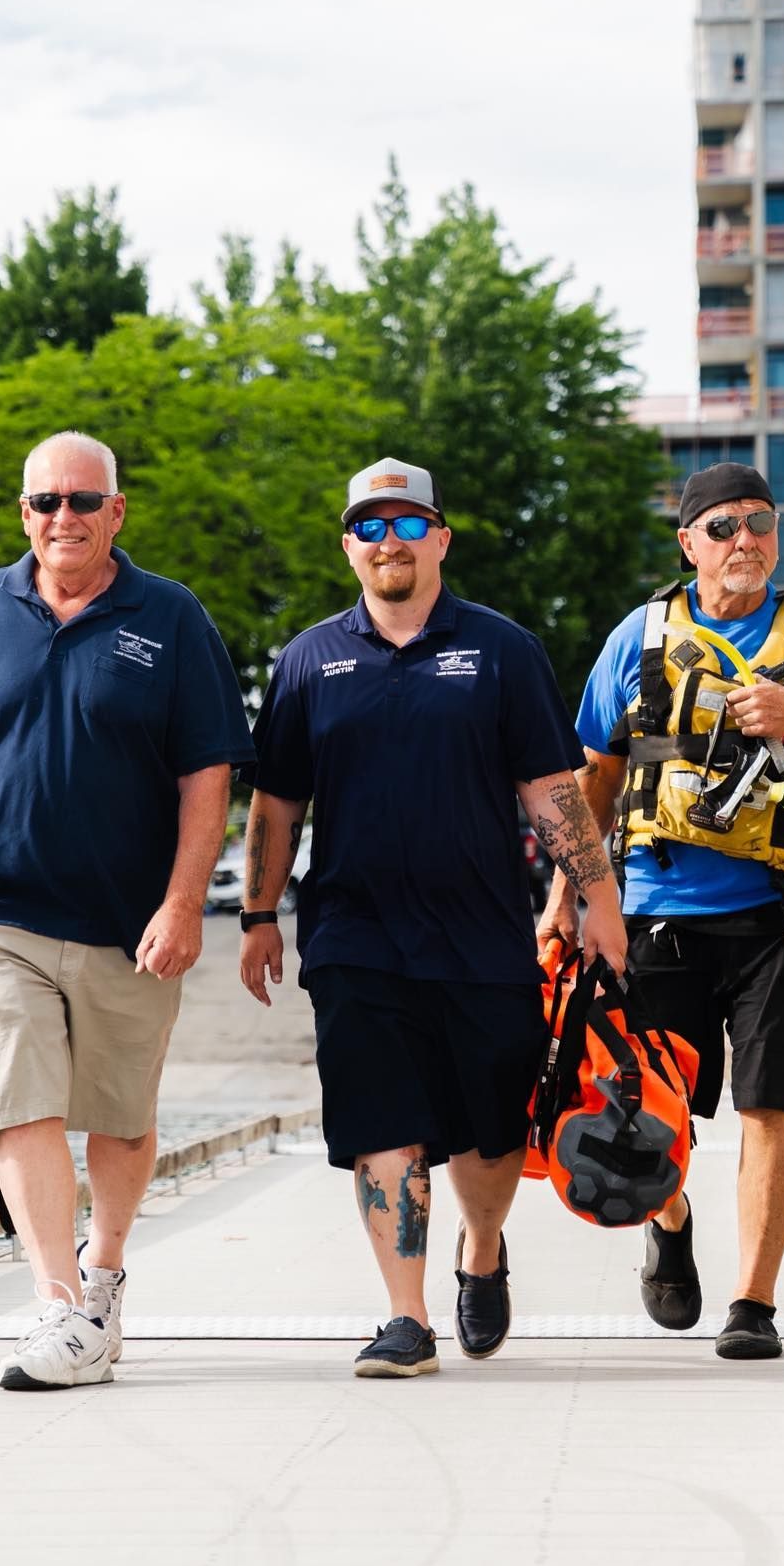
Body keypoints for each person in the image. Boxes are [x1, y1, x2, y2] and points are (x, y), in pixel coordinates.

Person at [238, 456, 626, 1377]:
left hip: (482, 933)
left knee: (489, 1138)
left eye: (408, 524)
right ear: (348, 546)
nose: (389, 541)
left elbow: (549, 789)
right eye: (370, 526)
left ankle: (481, 1249)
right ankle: (405, 1318)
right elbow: (276, 804)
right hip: (355, 937)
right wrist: (259, 913)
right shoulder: (305, 661)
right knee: (384, 1121)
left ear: (440, 538)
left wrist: (598, 902)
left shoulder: (500, 649)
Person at [0, 430, 255, 1391]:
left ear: (117, 512)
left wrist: (184, 904)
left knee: (122, 1120)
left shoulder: (172, 619)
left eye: (84, 501)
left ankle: (103, 1276)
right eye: (46, 501)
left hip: (128, 923)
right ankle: (55, 1308)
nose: (64, 518)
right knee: (20, 1103)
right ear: (23, 514)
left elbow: (206, 776)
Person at [540, 461, 784, 1361]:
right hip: (658, 909)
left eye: (761, 524)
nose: (748, 542)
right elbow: (595, 780)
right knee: (655, 1112)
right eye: (726, 526)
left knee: (775, 1099)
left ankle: (754, 1302)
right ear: (689, 542)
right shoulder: (639, 638)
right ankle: (672, 1215)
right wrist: (567, 898)